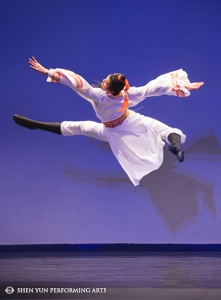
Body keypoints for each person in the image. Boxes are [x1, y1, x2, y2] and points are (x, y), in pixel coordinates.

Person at [13, 57, 204, 186]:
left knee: (79, 127)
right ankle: (175, 145)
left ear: (109, 88)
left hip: (112, 131)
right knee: (166, 130)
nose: (102, 80)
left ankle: (36, 125)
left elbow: (76, 82)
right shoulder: (128, 94)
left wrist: (49, 72)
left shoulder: (99, 96)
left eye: (105, 81)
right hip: (133, 121)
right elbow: (153, 87)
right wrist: (183, 85)